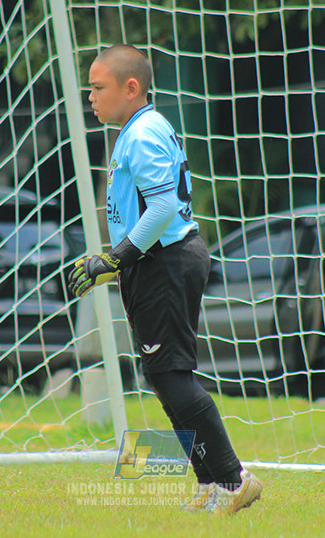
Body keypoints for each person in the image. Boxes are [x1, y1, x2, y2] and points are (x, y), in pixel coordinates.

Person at [67, 44, 263, 515]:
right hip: (155, 261)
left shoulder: (142, 133)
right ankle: (211, 483)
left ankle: (235, 481)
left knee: (172, 375)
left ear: (130, 88)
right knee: (162, 374)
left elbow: (163, 208)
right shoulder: (138, 129)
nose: (90, 96)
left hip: (167, 260)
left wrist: (116, 258)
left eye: (98, 87)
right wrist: (120, 259)